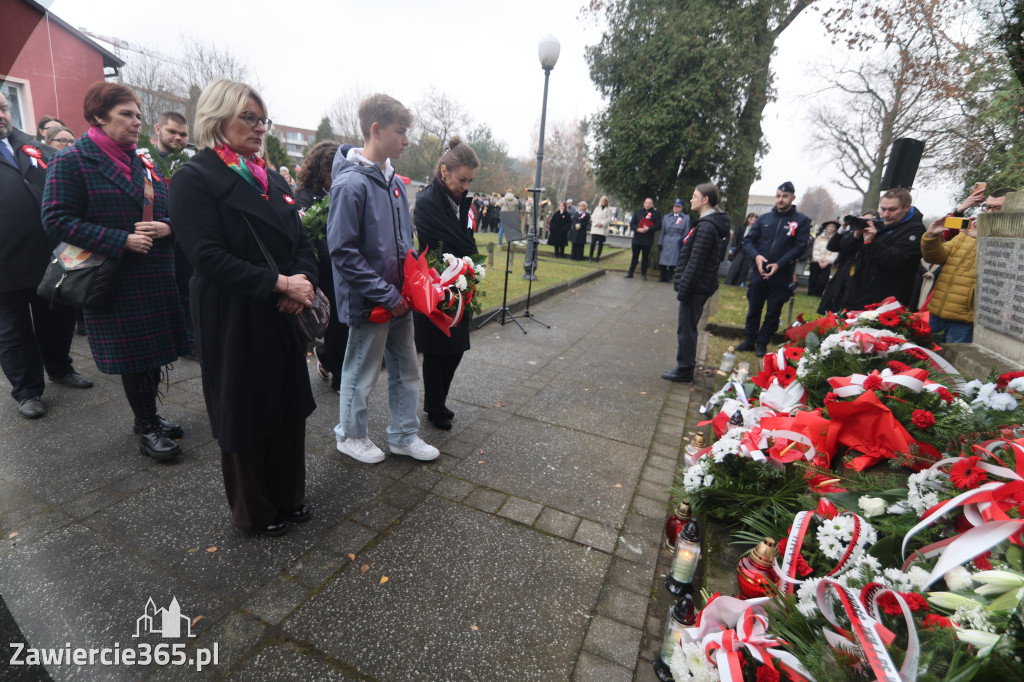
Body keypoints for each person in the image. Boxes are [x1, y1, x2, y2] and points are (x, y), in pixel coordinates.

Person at [169, 79, 317, 537]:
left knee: (286, 406)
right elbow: (206, 257)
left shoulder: (268, 176)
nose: (258, 128)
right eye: (248, 118)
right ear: (218, 119)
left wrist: (304, 281)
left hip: (281, 310)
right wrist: (279, 284)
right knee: (244, 409)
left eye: (262, 119)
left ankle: (288, 495)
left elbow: (301, 240)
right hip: (233, 314)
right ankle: (255, 511)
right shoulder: (195, 178)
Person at [42, 82, 187, 458]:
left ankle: (148, 416)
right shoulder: (71, 159)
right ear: (98, 117)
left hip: (155, 272)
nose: (136, 121)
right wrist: (118, 239)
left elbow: (169, 211)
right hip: (114, 278)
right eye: (126, 114)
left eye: (139, 115)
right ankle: (148, 427)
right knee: (135, 356)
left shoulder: (142, 162)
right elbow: (56, 219)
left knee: (153, 352)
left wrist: (168, 227)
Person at [327, 93, 439, 464]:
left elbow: (404, 242)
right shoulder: (351, 185)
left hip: (400, 299)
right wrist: (386, 294)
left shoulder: (393, 182)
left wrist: (414, 284)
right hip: (372, 303)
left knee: (407, 369)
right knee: (361, 372)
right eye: (401, 131)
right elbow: (343, 251)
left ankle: (404, 434)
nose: (407, 140)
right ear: (376, 130)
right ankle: (350, 434)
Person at [0, 93, 92, 419]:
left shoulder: (34, 148)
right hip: (5, 264)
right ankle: (27, 391)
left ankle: (60, 368)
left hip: (52, 254)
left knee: (59, 317)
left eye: (4, 107)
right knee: (13, 330)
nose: (2, 114)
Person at [413, 138, 480, 430]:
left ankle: (438, 401)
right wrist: (466, 249)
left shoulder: (457, 201)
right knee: (438, 349)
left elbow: (464, 241)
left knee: (456, 348)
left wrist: (467, 252)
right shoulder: (428, 200)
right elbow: (445, 243)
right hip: (436, 282)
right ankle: (435, 406)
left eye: (469, 181)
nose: (465, 186)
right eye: (461, 179)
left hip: (459, 281)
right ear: (444, 171)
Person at [662, 183, 732, 382]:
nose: (691, 199)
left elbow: (696, 261)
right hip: (697, 285)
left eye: (694, 196)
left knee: (687, 329)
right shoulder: (705, 224)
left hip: (695, 287)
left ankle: (684, 370)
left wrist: (683, 288)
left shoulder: (707, 227)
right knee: (687, 327)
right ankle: (684, 367)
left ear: (705, 200)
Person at [296, 140, 348, 393]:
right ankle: (337, 370)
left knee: (341, 325)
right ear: (320, 169)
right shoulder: (305, 197)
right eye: (331, 168)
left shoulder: (340, 192)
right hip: (322, 269)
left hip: (341, 269)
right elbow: (311, 236)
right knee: (335, 324)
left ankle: (329, 359)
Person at [738, 181, 811, 356]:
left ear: (792, 198)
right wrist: (756, 256)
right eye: (778, 196)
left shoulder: (801, 221)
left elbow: (801, 247)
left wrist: (780, 263)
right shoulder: (764, 219)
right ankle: (750, 339)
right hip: (760, 272)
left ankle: (762, 342)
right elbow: (748, 241)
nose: (780, 199)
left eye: (784, 196)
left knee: (773, 310)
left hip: (782, 274)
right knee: (754, 307)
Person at [835, 188, 925, 311]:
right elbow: (843, 249)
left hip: (885, 305)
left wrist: (870, 242)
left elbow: (894, 260)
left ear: (906, 207)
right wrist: (856, 236)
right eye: (883, 209)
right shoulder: (879, 224)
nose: (886, 215)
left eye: (892, 209)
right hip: (855, 295)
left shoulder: (916, 231)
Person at [625, 198, 661, 280]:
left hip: (647, 239)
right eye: (646, 203)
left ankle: (643, 274)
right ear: (644, 203)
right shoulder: (638, 213)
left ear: (652, 204)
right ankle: (630, 272)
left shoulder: (656, 214)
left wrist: (648, 228)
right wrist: (637, 229)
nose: (647, 204)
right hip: (637, 238)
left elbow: (658, 225)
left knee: (645, 258)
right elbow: (632, 224)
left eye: (649, 203)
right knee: (635, 256)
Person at [658, 199, 690, 283]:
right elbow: (662, 231)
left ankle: (669, 276)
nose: (676, 208)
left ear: (681, 208)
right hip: (667, 239)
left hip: (677, 240)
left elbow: (686, 233)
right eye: (675, 206)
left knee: (673, 260)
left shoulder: (685, 219)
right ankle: (662, 276)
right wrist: (660, 242)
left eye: (678, 207)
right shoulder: (666, 217)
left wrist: (684, 244)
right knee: (663, 259)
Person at [807, 220, 839, 296]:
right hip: (816, 261)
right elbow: (815, 249)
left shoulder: (836, 239)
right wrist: (819, 260)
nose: (831, 228)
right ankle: (811, 293)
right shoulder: (819, 237)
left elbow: (835, 252)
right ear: (826, 227)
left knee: (823, 280)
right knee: (813, 278)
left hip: (827, 263)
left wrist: (827, 261)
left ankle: (818, 293)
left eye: (833, 227)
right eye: (829, 226)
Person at [725, 213, 757, 286]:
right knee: (735, 265)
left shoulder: (756, 229)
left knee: (745, 268)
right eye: (751, 219)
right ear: (747, 219)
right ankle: (728, 282)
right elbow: (738, 238)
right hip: (741, 248)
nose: (752, 221)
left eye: (754, 220)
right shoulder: (743, 227)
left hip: (750, 250)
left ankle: (740, 283)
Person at [589, 195, 612, 262]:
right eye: (602, 200)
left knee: (600, 244)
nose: (604, 202)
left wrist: (602, 223)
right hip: (595, 228)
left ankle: (598, 257)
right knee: (593, 243)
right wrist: (597, 223)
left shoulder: (608, 210)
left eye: (605, 201)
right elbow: (593, 217)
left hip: (602, 229)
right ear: (600, 201)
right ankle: (590, 257)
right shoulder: (597, 208)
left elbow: (608, 219)